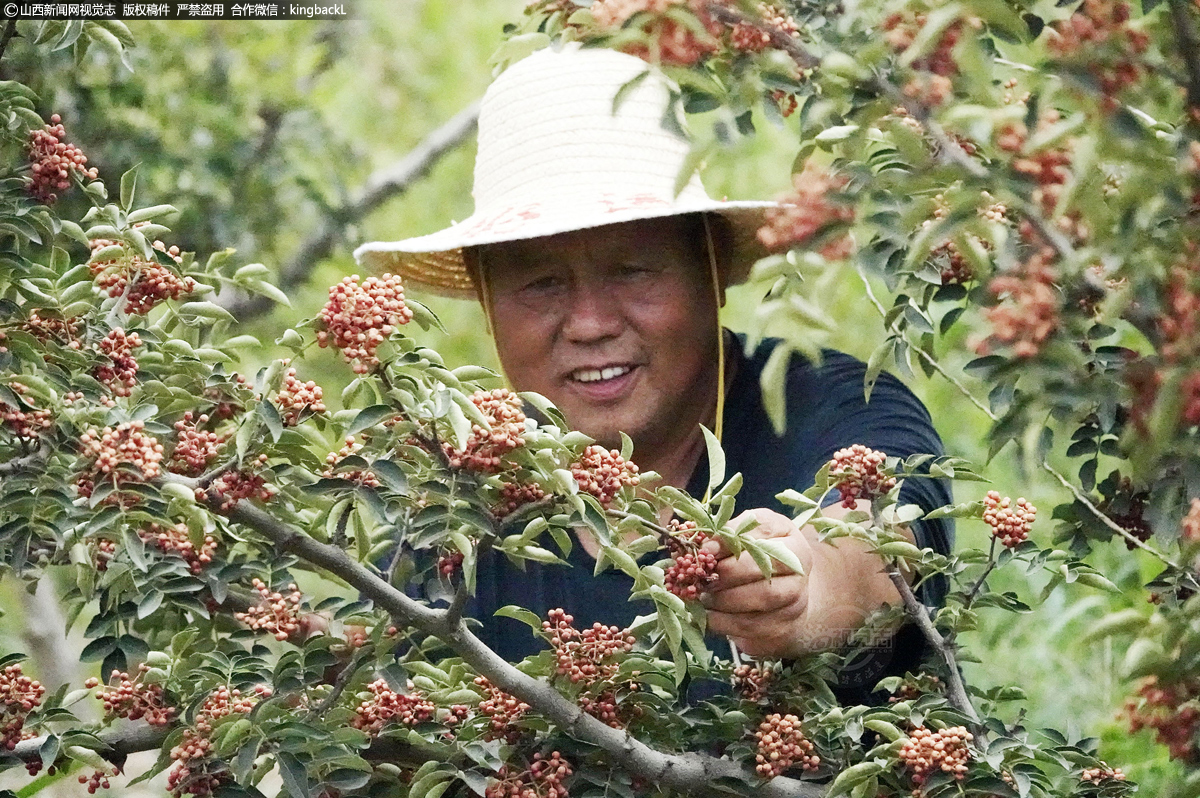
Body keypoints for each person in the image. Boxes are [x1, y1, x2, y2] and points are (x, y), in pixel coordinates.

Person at [355, 45, 952, 701]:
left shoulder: (834, 408)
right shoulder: (451, 511)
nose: (589, 323)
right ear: (488, 299)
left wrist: (798, 585)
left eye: (633, 270)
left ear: (712, 266)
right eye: (541, 283)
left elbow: (877, 545)